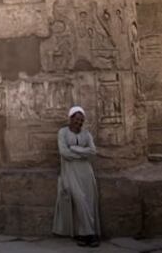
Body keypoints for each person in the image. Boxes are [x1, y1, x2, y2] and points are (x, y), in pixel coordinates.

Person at [53, 106, 102, 248]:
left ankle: (85, 234)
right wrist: (82, 154)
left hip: (86, 172)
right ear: (71, 118)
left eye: (81, 120)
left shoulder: (86, 134)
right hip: (70, 172)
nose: (79, 122)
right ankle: (90, 233)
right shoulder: (63, 132)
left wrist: (75, 149)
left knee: (89, 202)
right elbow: (64, 153)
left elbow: (93, 152)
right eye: (77, 119)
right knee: (79, 200)